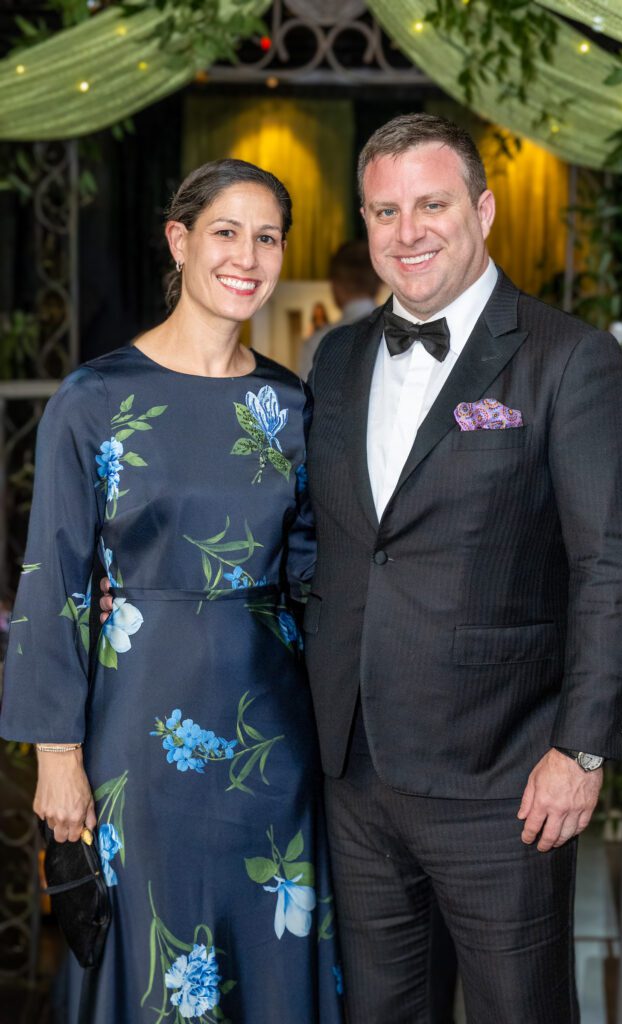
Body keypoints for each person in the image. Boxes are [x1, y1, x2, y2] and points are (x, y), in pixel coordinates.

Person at [301, 114, 622, 1023]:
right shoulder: (335, 358)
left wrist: (579, 750)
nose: (406, 231)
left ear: (483, 211)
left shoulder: (566, 358)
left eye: (431, 205)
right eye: (384, 212)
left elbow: (610, 568)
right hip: (355, 771)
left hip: (504, 778)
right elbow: (324, 541)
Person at [0, 158, 343, 1024]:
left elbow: (317, 577)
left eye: (267, 237)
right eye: (226, 232)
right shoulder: (94, 399)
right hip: (140, 738)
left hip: (274, 740)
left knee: (268, 953)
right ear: (179, 241)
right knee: (151, 958)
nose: (247, 256)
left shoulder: (291, 405)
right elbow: (54, 579)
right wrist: (55, 755)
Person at [298, 241, 381, 379]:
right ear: (378, 283)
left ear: (335, 286)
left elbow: (306, 390)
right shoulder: (401, 335)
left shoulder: (319, 342)